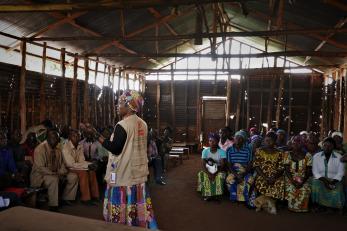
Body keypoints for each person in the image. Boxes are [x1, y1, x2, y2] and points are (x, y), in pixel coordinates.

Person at [83, 90, 157, 229]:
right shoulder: (143, 124)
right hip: (138, 174)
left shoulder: (122, 125)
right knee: (136, 206)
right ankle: (136, 224)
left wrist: (95, 134)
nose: (117, 105)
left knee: (119, 209)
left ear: (129, 105)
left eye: (120, 102)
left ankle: (120, 226)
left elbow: (115, 148)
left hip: (121, 174)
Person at [30, 129, 78, 212]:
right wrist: (55, 174)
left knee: (73, 177)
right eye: (53, 138)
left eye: (57, 138)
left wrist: (62, 172)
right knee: (54, 180)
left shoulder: (57, 149)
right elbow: (40, 168)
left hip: (55, 173)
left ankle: (66, 198)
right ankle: (53, 205)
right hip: (40, 176)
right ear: (47, 138)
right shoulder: (40, 149)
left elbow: (63, 165)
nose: (55, 140)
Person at [62, 129, 99, 206]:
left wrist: (90, 164)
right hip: (67, 168)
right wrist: (87, 165)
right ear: (69, 137)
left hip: (76, 167)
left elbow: (81, 161)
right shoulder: (65, 147)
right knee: (83, 173)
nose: (76, 137)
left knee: (92, 171)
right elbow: (70, 164)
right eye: (74, 136)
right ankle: (85, 199)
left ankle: (95, 196)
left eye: (78, 135)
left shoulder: (79, 146)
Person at [311, 137, 345, 212]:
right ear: (322, 146)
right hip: (320, 179)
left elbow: (340, 172)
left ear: (333, 146)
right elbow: (315, 172)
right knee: (315, 183)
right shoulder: (316, 156)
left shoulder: (339, 156)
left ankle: (332, 206)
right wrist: (325, 181)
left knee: (337, 187)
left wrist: (332, 182)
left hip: (334, 180)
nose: (327, 147)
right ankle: (318, 205)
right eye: (325, 145)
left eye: (329, 146)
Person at [253, 132, 285, 201]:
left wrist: (273, 177)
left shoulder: (280, 153)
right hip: (262, 174)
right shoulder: (259, 151)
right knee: (260, 181)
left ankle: (273, 201)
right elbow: (256, 166)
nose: (268, 142)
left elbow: (281, 168)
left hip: (275, 175)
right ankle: (262, 200)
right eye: (266, 140)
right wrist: (266, 178)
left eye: (270, 141)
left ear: (275, 141)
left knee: (280, 182)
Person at [284, 136, 312, 212]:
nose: (296, 144)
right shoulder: (287, 154)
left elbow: (308, 171)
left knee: (305, 189)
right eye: (294, 142)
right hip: (290, 177)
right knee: (291, 187)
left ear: (302, 144)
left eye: (299, 142)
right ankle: (291, 206)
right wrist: (293, 181)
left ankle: (302, 208)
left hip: (303, 177)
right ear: (291, 143)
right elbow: (287, 170)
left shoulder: (308, 155)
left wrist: (302, 182)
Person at [226, 131, 255, 205]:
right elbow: (229, 165)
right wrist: (236, 175)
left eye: (240, 138)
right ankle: (234, 197)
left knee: (250, 180)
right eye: (236, 138)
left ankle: (245, 198)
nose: (238, 140)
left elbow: (249, 164)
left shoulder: (248, 150)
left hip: (245, 171)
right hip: (234, 171)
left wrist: (243, 174)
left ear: (244, 140)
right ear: (234, 138)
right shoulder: (229, 150)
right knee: (229, 180)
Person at [197, 133, 226, 201]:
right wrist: (209, 173)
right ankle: (208, 194)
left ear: (217, 142)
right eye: (210, 141)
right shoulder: (205, 151)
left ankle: (216, 194)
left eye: (214, 141)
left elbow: (222, 165)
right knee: (202, 175)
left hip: (218, 169)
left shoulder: (222, 152)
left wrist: (215, 173)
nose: (211, 143)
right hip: (208, 168)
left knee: (220, 176)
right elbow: (203, 164)